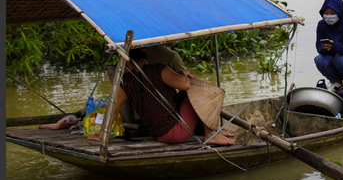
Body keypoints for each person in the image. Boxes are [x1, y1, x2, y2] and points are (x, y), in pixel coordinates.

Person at [87, 48, 234, 145]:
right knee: (200, 89)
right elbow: (186, 85)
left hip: (156, 134)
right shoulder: (158, 69)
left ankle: (212, 130)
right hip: (174, 133)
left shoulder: (126, 81)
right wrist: (184, 74)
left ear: (128, 62)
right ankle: (210, 135)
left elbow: (113, 108)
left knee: (184, 94)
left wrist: (101, 135)